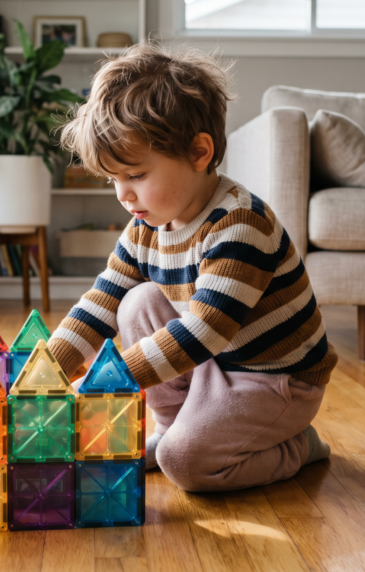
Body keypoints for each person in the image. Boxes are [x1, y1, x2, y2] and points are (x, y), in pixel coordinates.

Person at [48, 44, 337, 492]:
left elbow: (204, 332)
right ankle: (171, 425)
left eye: (137, 176)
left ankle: (297, 445)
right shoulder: (146, 225)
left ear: (199, 152)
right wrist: (47, 368)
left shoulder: (240, 224)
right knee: (135, 299)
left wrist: (113, 379)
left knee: (186, 465)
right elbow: (100, 302)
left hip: (275, 381)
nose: (123, 195)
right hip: (213, 363)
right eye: (114, 180)